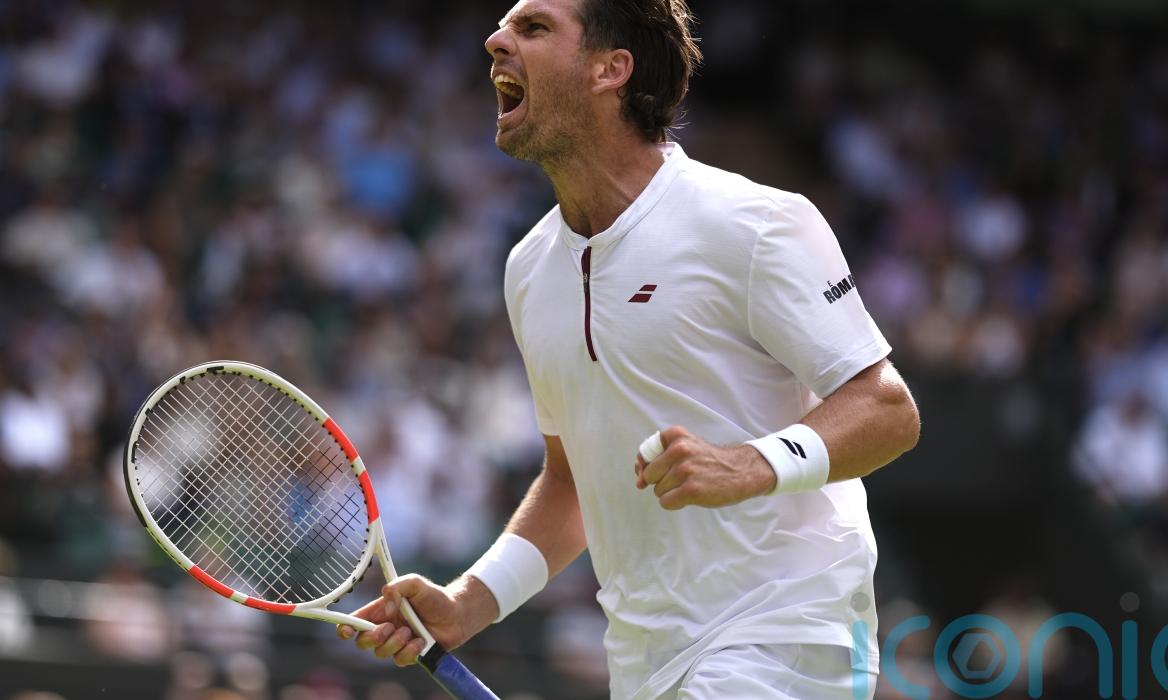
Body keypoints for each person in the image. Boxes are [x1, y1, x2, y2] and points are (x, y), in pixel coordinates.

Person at [336, 1, 921, 697]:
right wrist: (470, 601)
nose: (495, 41)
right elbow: (571, 482)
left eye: (534, 28)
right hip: (643, 660)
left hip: (786, 634)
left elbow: (887, 409)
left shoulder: (757, 223)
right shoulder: (529, 269)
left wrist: (748, 464)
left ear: (610, 70)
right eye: (505, 26)